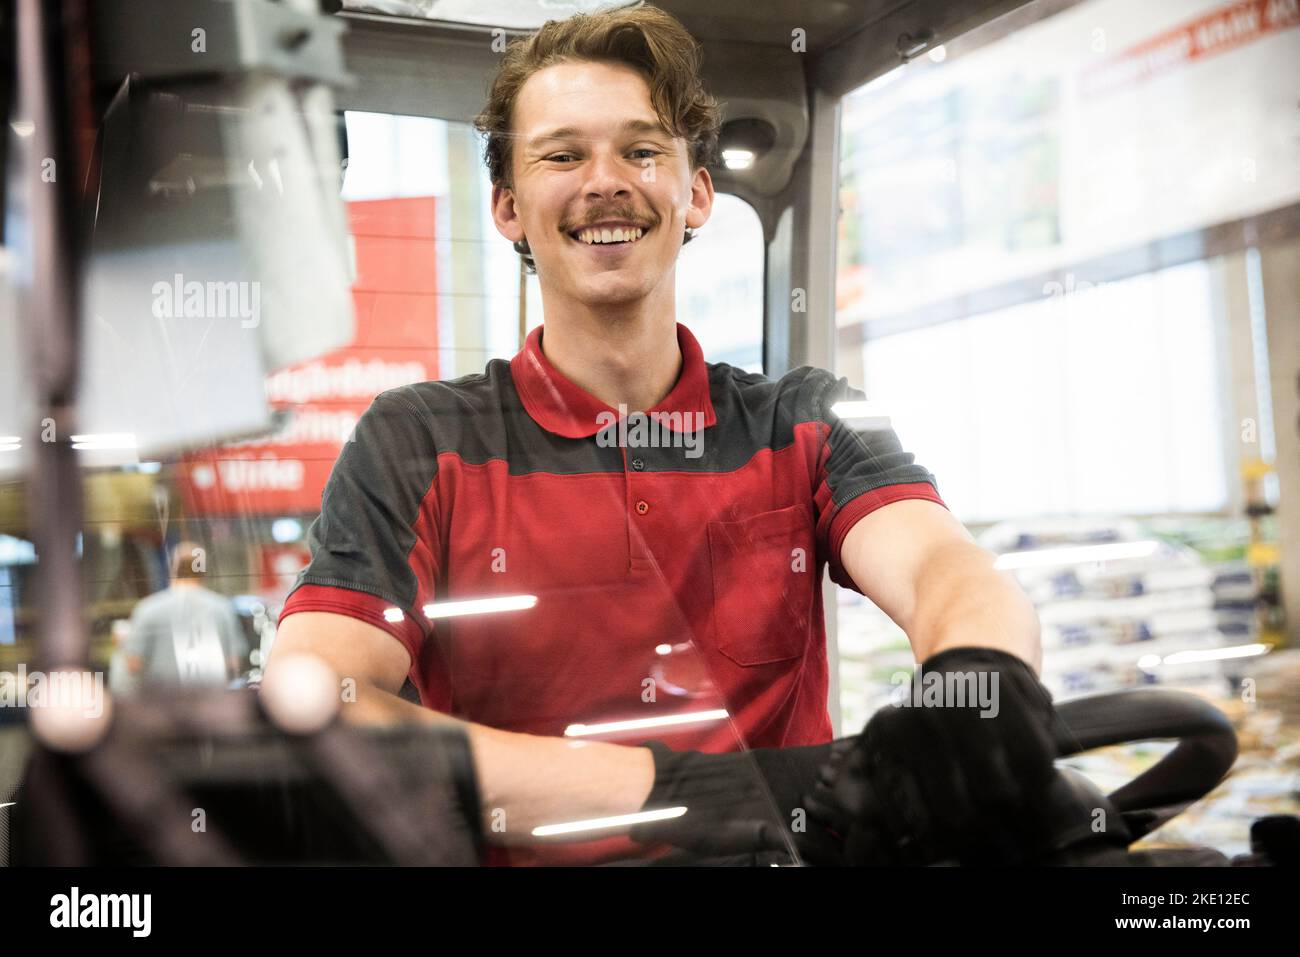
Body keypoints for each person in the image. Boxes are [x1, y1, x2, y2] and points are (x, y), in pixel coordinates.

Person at [271, 5, 1058, 865]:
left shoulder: (807, 419)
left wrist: (979, 676)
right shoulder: (417, 441)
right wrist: (680, 795)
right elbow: (316, 695)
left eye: (642, 151)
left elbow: (941, 565)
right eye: (562, 155)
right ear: (506, 207)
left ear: (696, 194)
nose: (605, 181)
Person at [126, 541, 248, 689]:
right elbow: (234, 662)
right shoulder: (222, 608)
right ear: (204, 572)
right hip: (211, 701)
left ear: (171, 569)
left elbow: (134, 664)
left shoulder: (148, 608)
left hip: (163, 703)